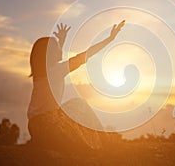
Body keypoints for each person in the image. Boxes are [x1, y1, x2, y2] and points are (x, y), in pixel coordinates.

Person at [27, 20, 125, 152]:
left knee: (69, 110)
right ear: (50, 54)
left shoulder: (44, 72)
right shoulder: (55, 71)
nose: (60, 50)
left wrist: (61, 41)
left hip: (35, 127)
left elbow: (55, 58)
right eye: (56, 48)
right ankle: (105, 143)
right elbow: (85, 56)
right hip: (48, 125)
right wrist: (109, 39)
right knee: (79, 104)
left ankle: (47, 143)